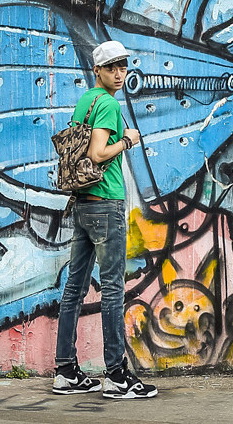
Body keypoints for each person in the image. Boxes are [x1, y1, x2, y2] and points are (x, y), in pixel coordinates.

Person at [53, 40, 158, 399]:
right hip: (106, 204)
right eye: (111, 67)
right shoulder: (110, 105)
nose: (119, 73)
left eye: (123, 66)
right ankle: (116, 375)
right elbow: (98, 154)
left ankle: (65, 370)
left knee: (74, 288)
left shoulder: (86, 101)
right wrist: (127, 140)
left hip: (83, 203)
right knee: (113, 288)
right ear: (97, 70)